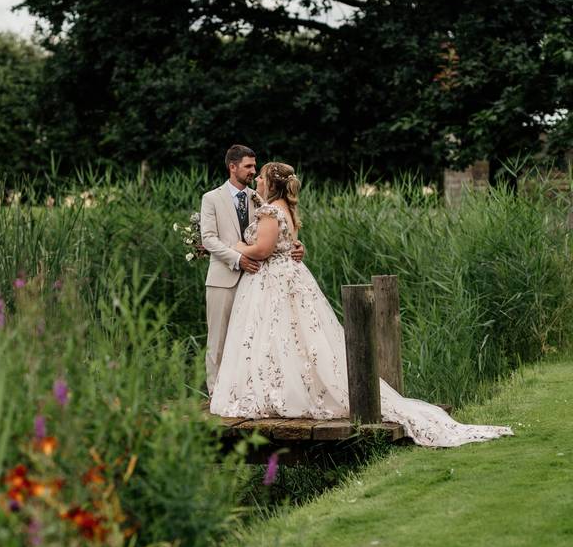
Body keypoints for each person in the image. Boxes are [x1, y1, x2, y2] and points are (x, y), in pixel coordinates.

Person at [208, 161, 513, 447]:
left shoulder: (271, 212)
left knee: (281, 338)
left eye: (261, 176)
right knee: (288, 339)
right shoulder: (284, 209)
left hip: (273, 283)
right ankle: (282, 388)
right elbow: (285, 244)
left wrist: (236, 245)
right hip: (282, 280)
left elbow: (262, 250)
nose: (258, 179)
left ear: (271, 183)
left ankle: (283, 393)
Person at [200, 145, 304, 394]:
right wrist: (237, 259)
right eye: (248, 166)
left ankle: (244, 391)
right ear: (232, 166)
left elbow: (277, 232)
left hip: (257, 280)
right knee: (219, 340)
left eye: (255, 167)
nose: (253, 171)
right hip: (224, 277)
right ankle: (216, 392)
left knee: (249, 339)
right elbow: (209, 239)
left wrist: (298, 246)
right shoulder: (211, 198)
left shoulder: (261, 199)